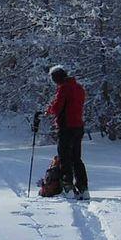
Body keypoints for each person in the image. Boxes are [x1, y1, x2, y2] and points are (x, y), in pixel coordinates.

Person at [42, 64, 89, 200]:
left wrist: (48, 111)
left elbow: (57, 107)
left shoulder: (63, 88)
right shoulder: (79, 88)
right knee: (76, 158)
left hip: (66, 127)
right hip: (78, 126)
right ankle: (83, 188)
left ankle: (68, 188)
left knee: (64, 158)